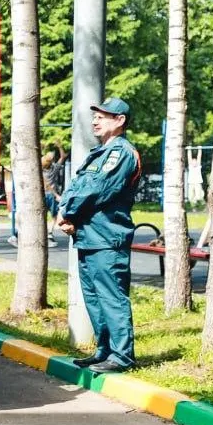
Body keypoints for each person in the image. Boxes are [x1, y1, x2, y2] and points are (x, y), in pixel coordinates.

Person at [57, 97, 141, 374]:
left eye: (103, 116)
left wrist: (68, 214)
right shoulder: (100, 153)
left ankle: (121, 356)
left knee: (111, 297)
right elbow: (76, 186)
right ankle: (104, 351)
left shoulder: (120, 153)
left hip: (107, 237)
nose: (95, 120)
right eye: (95, 115)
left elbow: (97, 189)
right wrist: (67, 214)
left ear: (120, 121)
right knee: (93, 297)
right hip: (89, 236)